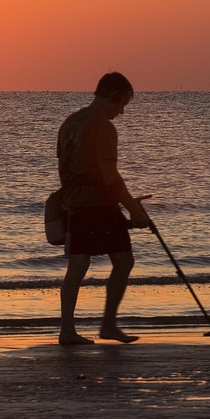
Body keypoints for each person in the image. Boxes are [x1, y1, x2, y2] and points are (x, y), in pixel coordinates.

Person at [55, 71, 151, 345]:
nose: (121, 112)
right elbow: (110, 175)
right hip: (99, 203)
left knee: (77, 266)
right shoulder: (103, 127)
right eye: (122, 105)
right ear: (114, 97)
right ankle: (108, 325)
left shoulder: (70, 121)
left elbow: (63, 166)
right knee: (123, 261)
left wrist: (68, 200)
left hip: (73, 202)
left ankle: (67, 331)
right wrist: (134, 209)